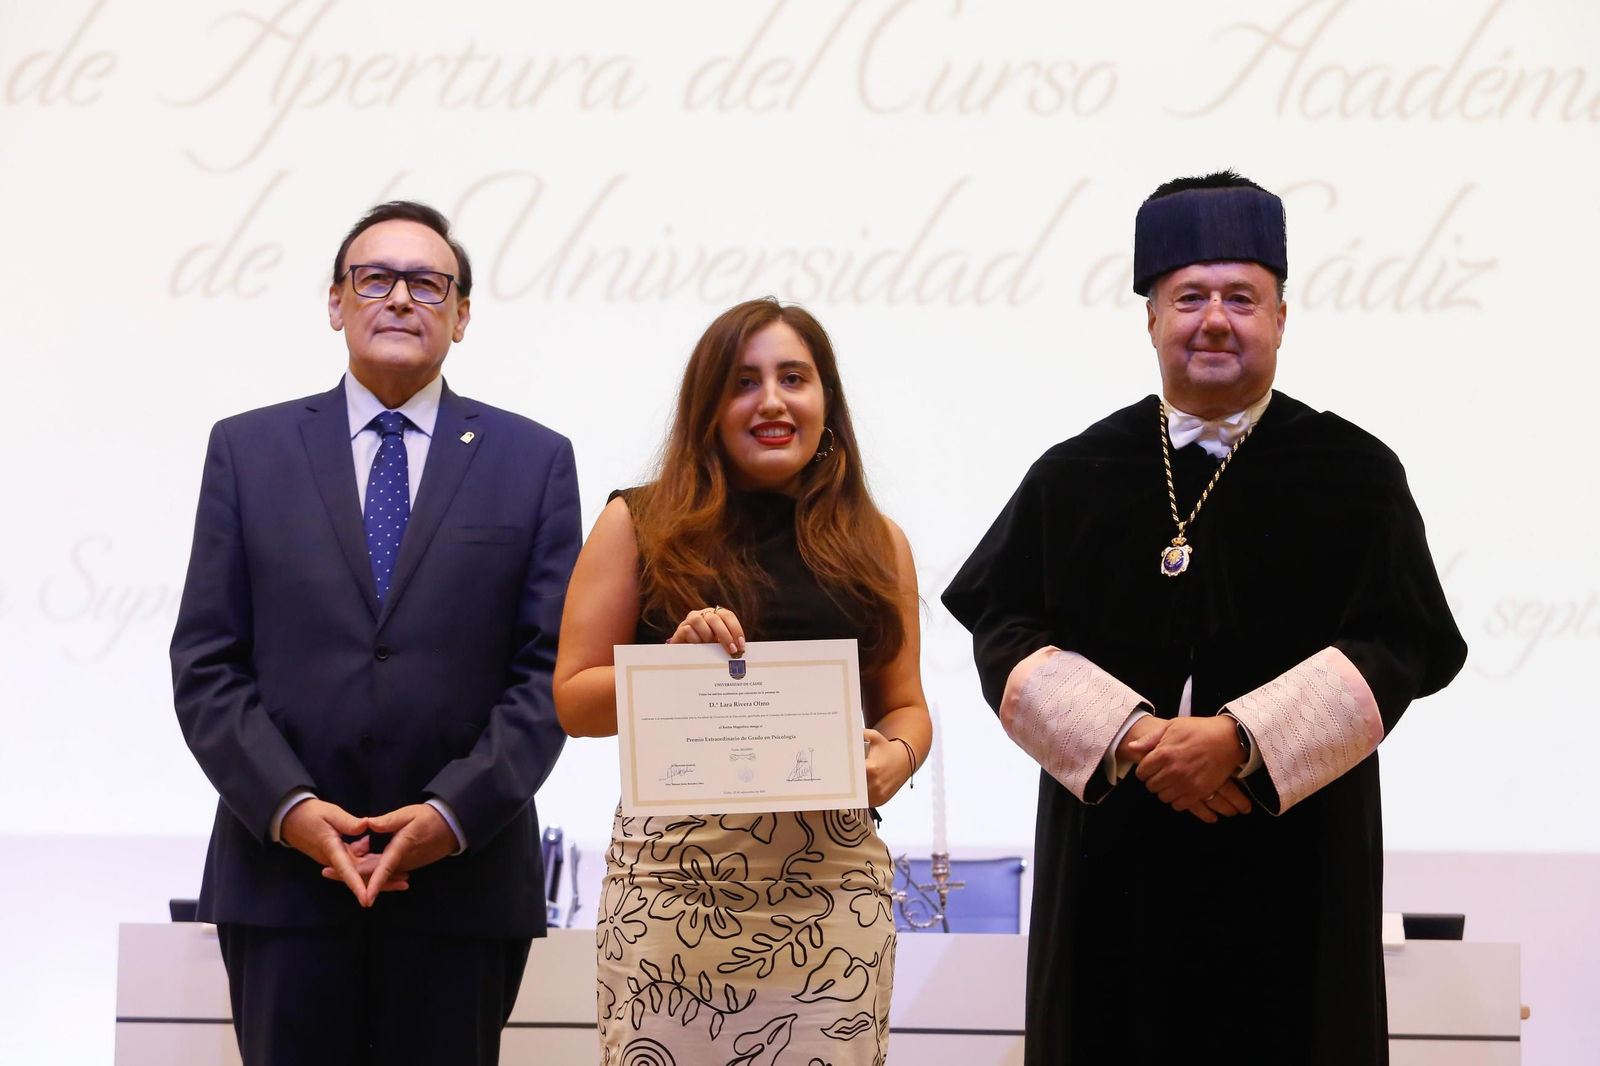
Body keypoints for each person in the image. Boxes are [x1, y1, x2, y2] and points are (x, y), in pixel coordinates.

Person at [942, 171, 1467, 1066]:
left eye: (1241, 297)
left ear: (1282, 317)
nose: (1214, 320)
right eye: (1189, 297)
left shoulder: (1355, 474)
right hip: (1115, 869)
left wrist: (1241, 740)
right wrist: (1134, 738)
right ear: (1150, 315)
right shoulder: (1077, 475)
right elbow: (1003, 626)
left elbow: (1403, 642)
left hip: (1292, 865)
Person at [170, 200, 581, 1065]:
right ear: (336, 302)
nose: (401, 297)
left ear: (461, 315)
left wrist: (448, 815)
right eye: (376, 278)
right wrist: (291, 810)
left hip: (460, 884)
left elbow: (547, 674)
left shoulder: (533, 460)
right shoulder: (248, 450)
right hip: (283, 877)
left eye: (428, 283)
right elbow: (208, 663)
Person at [554, 298, 929, 1066]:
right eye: (744, 382)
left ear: (826, 400)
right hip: (672, 898)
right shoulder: (638, 521)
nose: (771, 401)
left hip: (831, 899)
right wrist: (669, 673)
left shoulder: (877, 542)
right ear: (709, 408)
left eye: (794, 378)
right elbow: (573, 700)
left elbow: (907, 707)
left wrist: (897, 755)